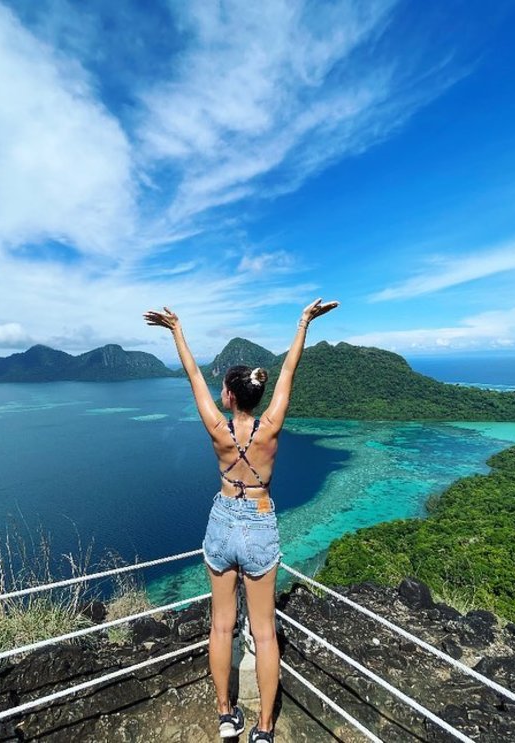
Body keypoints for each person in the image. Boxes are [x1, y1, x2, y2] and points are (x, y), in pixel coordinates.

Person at [144, 298, 339, 742]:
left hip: (221, 518)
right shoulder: (270, 426)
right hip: (259, 519)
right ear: (257, 395)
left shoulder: (217, 427)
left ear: (229, 396)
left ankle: (225, 714)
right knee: (265, 633)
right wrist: (303, 323)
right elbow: (289, 371)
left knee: (220, 625)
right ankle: (265, 729)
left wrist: (177, 330)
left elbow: (193, 375)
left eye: (224, 391)